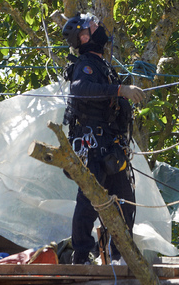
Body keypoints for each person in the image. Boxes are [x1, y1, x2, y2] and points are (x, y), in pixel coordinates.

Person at [62, 13, 145, 265]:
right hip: (93, 146)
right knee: (88, 203)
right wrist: (120, 90)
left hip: (111, 147)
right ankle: (81, 257)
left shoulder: (103, 65)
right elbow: (79, 89)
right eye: (94, 26)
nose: (100, 28)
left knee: (125, 202)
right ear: (85, 37)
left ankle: (120, 255)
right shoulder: (84, 65)